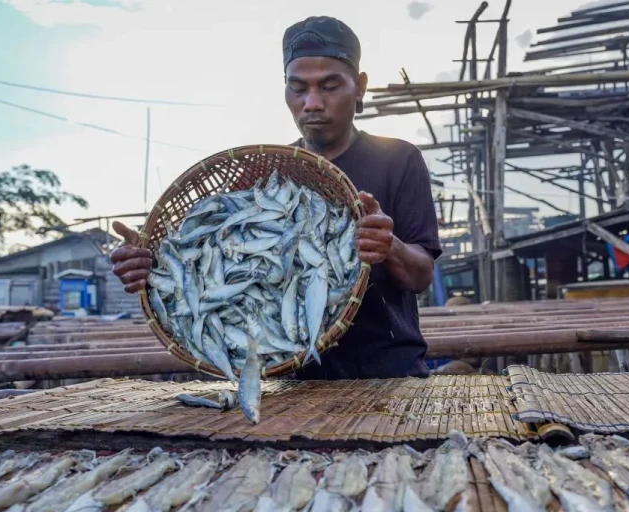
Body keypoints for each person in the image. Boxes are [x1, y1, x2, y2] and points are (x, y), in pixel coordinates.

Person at [109, 16, 442, 380]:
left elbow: (421, 274)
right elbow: (208, 255)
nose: (312, 103)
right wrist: (152, 266)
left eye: (329, 86)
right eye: (298, 88)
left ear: (360, 87)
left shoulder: (398, 159)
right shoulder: (262, 174)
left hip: (389, 377)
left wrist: (390, 247)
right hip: (290, 388)